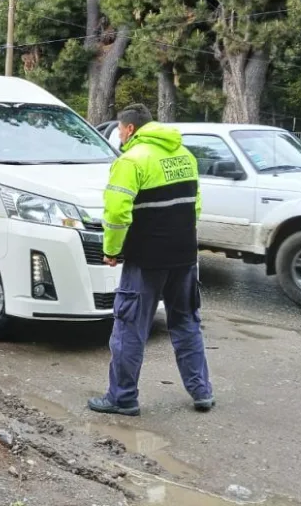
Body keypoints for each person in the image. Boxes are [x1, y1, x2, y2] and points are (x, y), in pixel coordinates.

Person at [88, 104, 214, 417]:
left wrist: (112, 250)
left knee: (129, 328)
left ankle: (122, 398)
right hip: (184, 256)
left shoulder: (131, 160)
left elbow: (117, 213)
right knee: (186, 324)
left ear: (129, 129)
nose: (118, 134)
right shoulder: (184, 155)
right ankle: (202, 392)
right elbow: (194, 205)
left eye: (119, 128)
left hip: (146, 260)